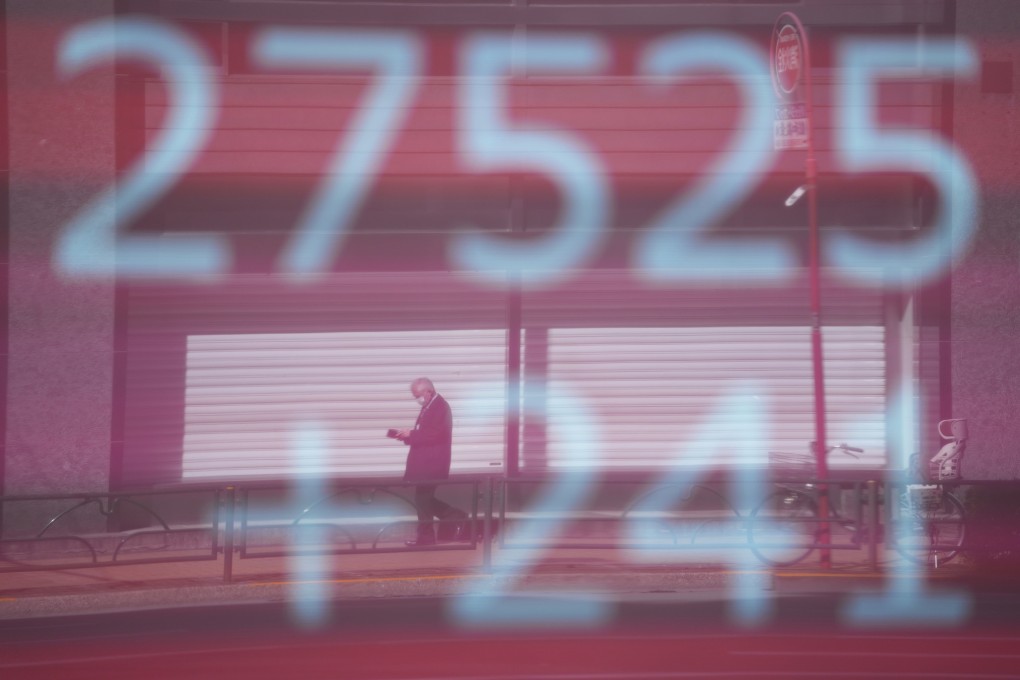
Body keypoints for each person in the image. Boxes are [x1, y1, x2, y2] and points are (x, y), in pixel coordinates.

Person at [393, 377, 469, 547]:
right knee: (423, 500)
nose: (417, 399)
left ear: (428, 391)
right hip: (425, 462)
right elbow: (425, 432)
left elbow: (435, 434)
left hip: (432, 463)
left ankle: (427, 537)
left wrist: (411, 435)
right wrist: (407, 436)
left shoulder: (440, 407)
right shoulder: (429, 406)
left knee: (422, 499)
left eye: (418, 395)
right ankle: (455, 516)